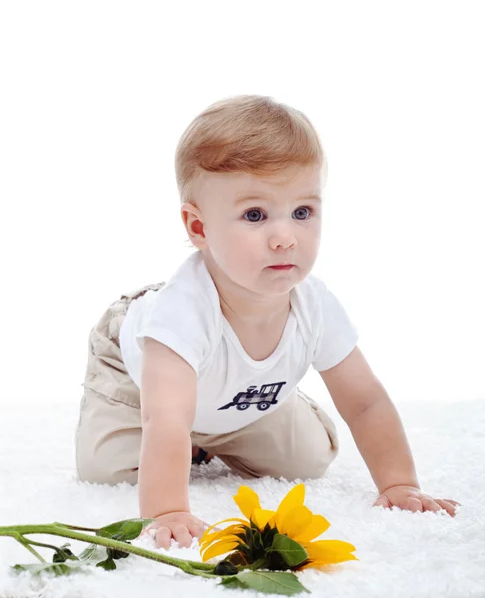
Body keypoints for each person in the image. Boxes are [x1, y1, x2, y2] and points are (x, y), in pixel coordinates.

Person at [75, 95, 460, 550]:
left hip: (232, 393)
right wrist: (169, 510)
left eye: (302, 212)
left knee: (309, 459)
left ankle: (246, 414)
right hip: (141, 380)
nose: (285, 238)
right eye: (255, 215)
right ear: (199, 229)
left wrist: (399, 483)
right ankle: (198, 436)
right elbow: (166, 418)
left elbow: (366, 403)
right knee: (104, 468)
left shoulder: (313, 304)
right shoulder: (180, 315)